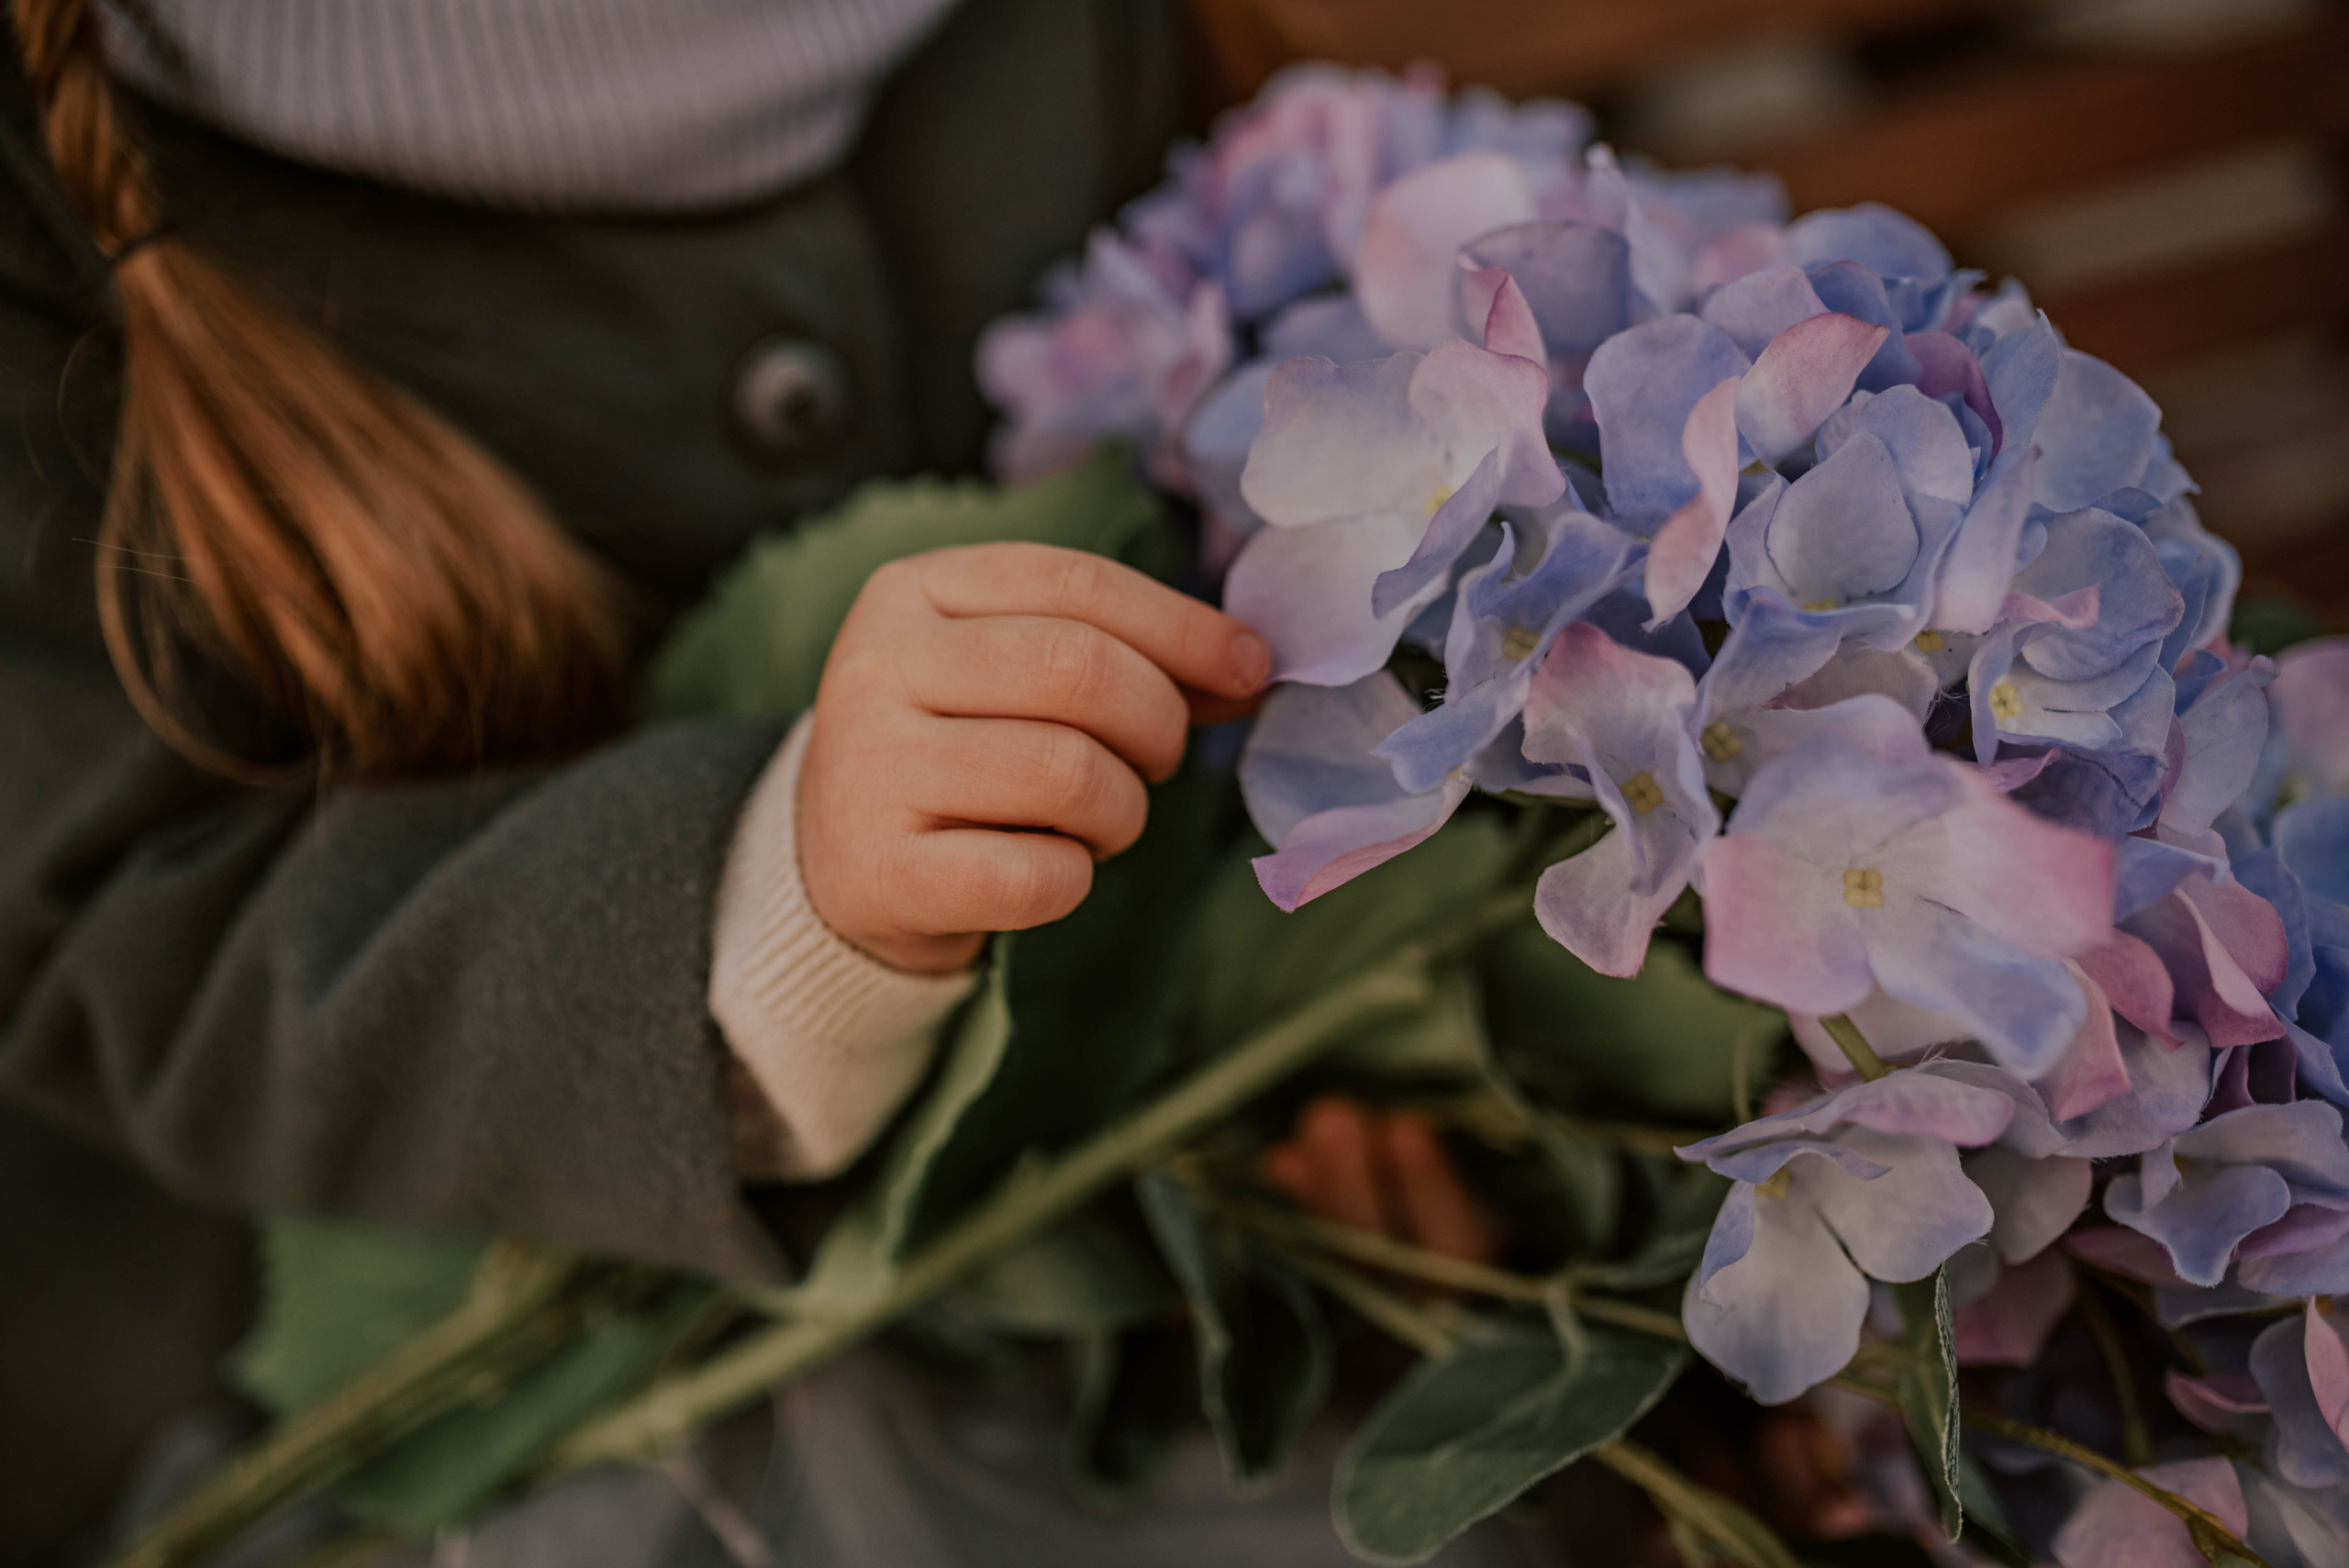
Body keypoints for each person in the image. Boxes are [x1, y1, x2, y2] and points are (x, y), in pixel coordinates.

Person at [0, 0, 1530, 1562]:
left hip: (1114, 1281)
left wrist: (1356, 1110)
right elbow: (117, 919)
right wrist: (772, 913)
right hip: (395, 1413)